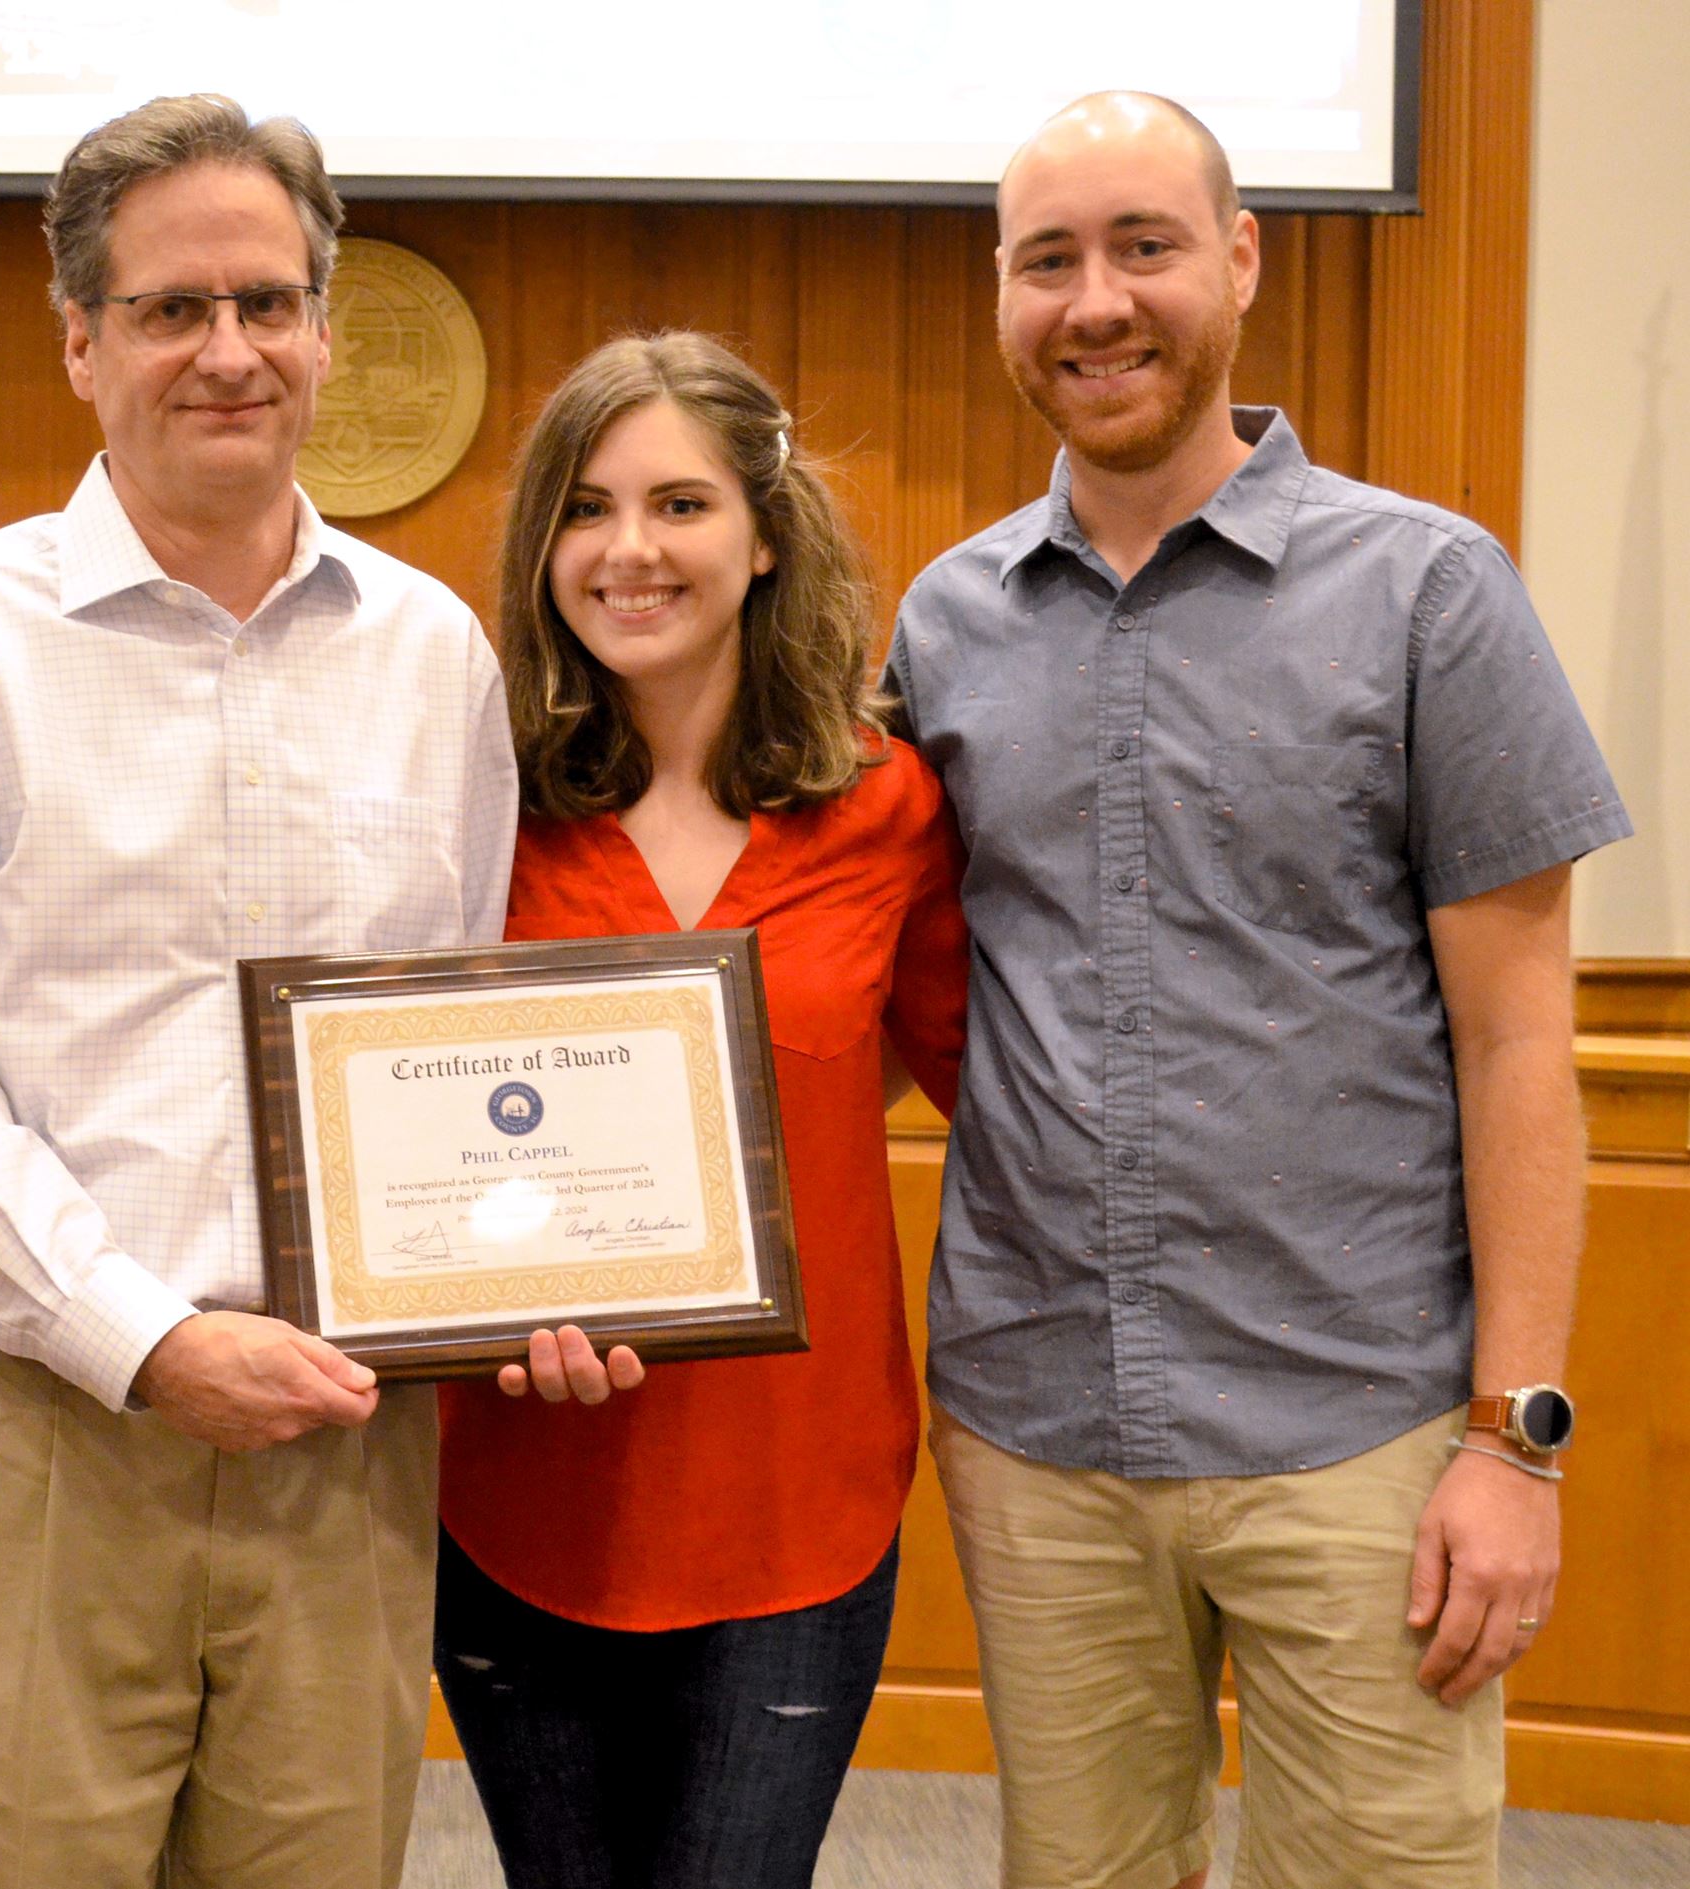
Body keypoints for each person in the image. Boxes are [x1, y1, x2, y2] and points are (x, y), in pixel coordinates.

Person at [883, 92, 1632, 1889]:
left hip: (1362, 1432)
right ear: (1001, 296)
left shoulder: (1430, 593)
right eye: (1047, 260)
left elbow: (1521, 1042)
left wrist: (1516, 1444)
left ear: (1239, 259)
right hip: (1041, 1432)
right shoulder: (945, 623)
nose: (1095, 302)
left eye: (1143, 245)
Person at [0, 94, 516, 1889]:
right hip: (36, 1429)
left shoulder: (435, 657)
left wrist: (531, 1272)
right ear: (80, 341)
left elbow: (464, 1048)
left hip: (348, 1439)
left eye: (269, 303)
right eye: (172, 308)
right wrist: (145, 1339)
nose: (230, 350)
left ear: (325, 333)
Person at [431, 332, 969, 1889]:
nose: (631, 550)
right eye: (586, 508)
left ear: (765, 533)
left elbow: (959, 1078)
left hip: (793, 1500)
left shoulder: (888, 806)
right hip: (521, 1482)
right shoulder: (475, 803)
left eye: (680, 503)